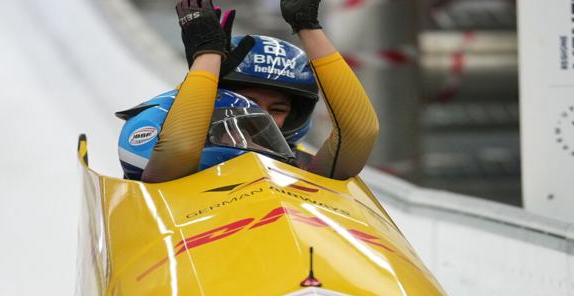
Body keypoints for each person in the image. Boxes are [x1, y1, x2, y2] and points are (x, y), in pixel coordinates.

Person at [117, 0, 379, 184]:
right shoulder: (168, 144)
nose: (259, 116)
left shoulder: (305, 168)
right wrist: (207, 56)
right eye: (248, 103)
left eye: (277, 110)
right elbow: (181, 149)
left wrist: (308, 26)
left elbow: (360, 132)